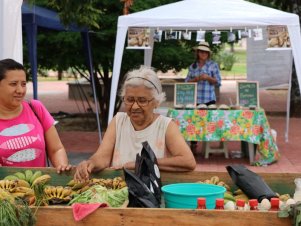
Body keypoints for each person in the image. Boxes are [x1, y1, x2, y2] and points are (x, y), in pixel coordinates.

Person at [74, 66, 196, 181]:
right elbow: (103, 156)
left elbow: (187, 161)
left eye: (142, 101)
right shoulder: (118, 121)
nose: (135, 106)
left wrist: (141, 164)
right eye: (130, 100)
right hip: (120, 189)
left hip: (152, 195)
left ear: (156, 102)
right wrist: (91, 163)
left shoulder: (166, 126)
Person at [0, 58, 71, 173]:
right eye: (13, 84)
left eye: (23, 84)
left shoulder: (36, 108)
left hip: (40, 187)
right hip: (5, 189)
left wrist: (62, 167)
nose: (20, 90)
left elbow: (56, 149)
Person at [185, 41, 222, 150]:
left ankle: (207, 148)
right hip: (195, 99)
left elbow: (218, 82)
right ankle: (193, 145)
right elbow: (186, 83)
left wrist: (208, 78)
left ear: (208, 53)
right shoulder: (193, 66)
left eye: (205, 52)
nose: (203, 53)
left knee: (208, 123)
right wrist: (196, 79)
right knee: (193, 122)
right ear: (197, 53)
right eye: (201, 51)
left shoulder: (213, 65)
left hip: (209, 99)